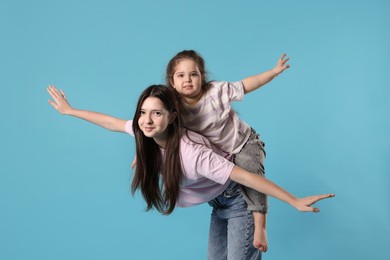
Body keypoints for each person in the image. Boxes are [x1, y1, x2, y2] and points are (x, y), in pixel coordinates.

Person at [47, 84, 334, 260]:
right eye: (143, 113)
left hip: (239, 201)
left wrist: (294, 200)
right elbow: (109, 122)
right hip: (218, 204)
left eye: (156, 113)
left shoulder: (192, 154)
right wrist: (70, 111)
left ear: (171, 117)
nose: (146, 120)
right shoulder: (143, 130)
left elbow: (247, 177)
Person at [166, 50, 289, 252]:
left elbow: (247, 85)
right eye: (181, 75)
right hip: (222, 157)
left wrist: (272, 72)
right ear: (172, 81)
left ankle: (260, 226)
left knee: (250, 172)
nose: (188, 80)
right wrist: (141, 152)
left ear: (202, 77)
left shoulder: (216, 91)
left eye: (193, 74)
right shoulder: (174, 107)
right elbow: (157, 127)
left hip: (242, 143)